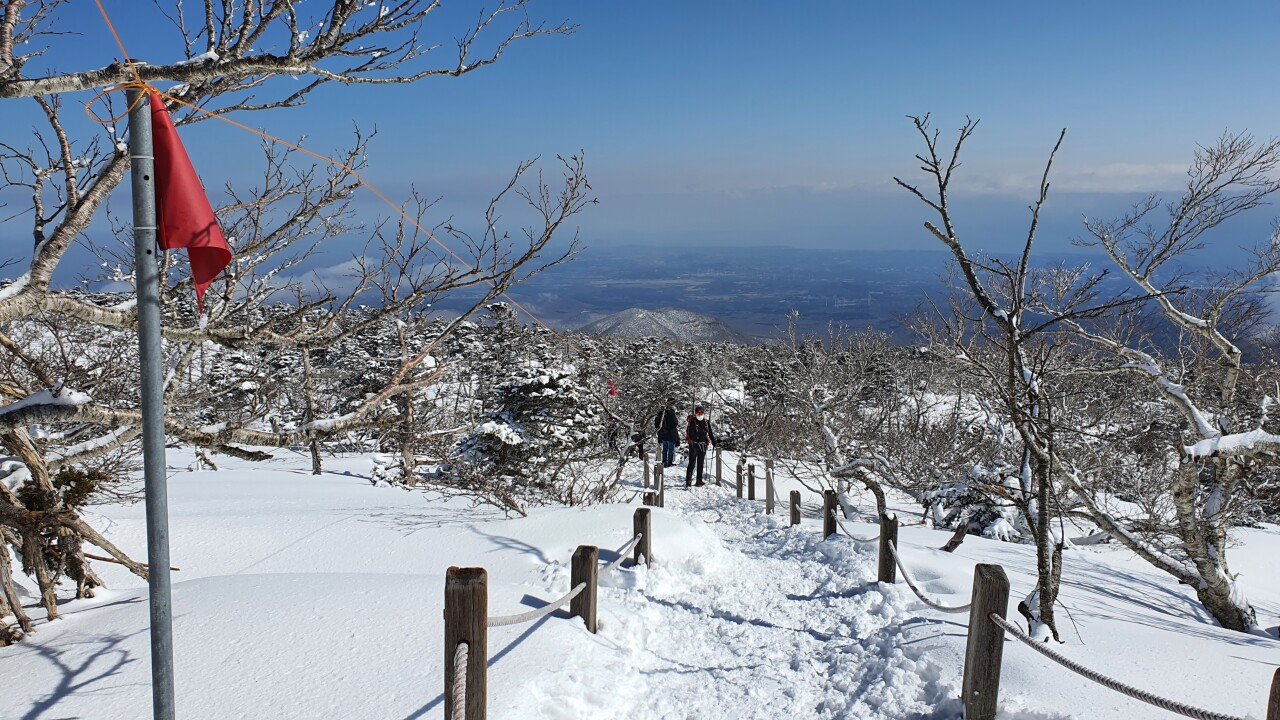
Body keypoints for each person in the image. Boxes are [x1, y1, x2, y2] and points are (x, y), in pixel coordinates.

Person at [685, 405, 716, 487]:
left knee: (700, 463)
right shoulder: (692, 421)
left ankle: (699, 480)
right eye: (698, 412)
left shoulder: (706, 422)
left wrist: (713, 441)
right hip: (693, 445)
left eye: (701, 412)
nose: (700, 414)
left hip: (703, 445)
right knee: (692, 463)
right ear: (695, 413)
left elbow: (710, 433)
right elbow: (689, 433)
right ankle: (688, 481)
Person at [654, 398, 680, 467]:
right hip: (671, 434)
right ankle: (669, 463)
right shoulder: (671, 412)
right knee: (671, 449)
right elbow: (675, 423)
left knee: (665, 449)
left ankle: (664, 462)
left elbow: (656, 424)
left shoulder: (661, 413)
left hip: (663, 434)